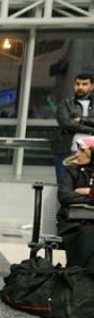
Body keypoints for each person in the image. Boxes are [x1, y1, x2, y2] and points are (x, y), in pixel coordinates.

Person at [57, 136, 94, 269]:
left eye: (81, 151)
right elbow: (64, 196)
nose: (77, 154)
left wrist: (88, 192)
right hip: (72, 223)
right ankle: (80, 276)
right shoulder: (73, 171)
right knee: (88, 234)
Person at [55, 72, 94, 184]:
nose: (80, 87)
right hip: (68, 150)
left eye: (84, 84)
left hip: (91, 153)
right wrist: (91, 129)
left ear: (92, 86)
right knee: (64, 185)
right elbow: (66, 123)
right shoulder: (66, 103)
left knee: (89, 187)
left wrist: (82, 119)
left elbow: (73, 124)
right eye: (77, 84)